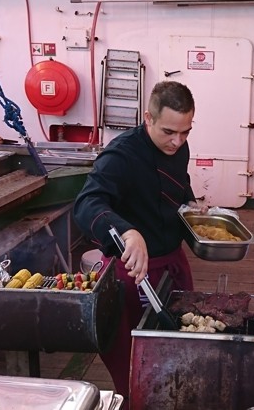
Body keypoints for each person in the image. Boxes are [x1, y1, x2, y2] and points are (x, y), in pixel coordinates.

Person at [73, 80, 200, 405]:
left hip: (172, 261)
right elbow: (87, 204)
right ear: (148, 118)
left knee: (181, 344)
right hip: (132, 272)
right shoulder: (121, 154)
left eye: (185, 132)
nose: (178, 141)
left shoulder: (178, 145)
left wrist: (194, 206)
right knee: (136, 362)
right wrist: (128, 232)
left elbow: (179, 186)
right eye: (169, 132)